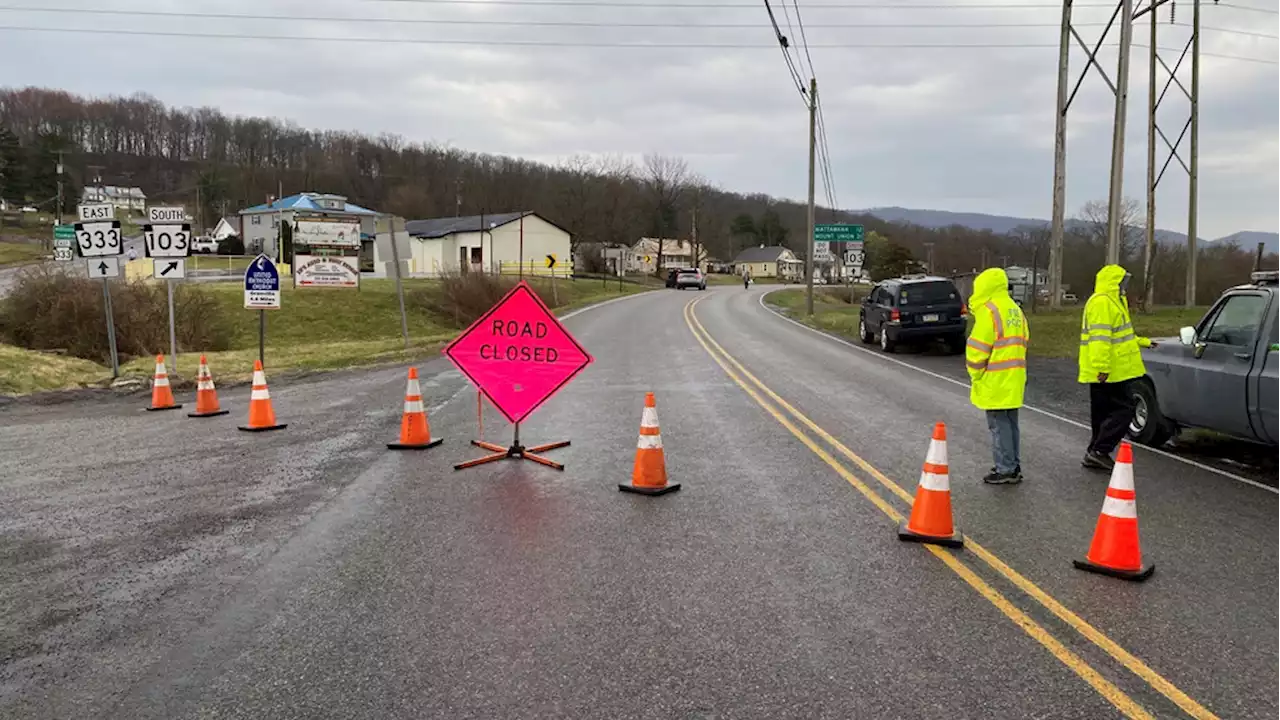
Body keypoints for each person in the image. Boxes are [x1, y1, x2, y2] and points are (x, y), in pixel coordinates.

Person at [1078, 265, 1156, 471]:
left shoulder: (1112, 301)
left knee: (1102, 412)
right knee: (1125, 409)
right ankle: (1099, 450)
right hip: (1109, 371)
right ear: (1114, 282)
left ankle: (1094, 451)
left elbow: (1121, 336)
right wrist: (1102, 367)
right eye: (1122, 281)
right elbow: (1100, 339)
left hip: (1109, 370)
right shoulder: (1103, 302)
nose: (1125, 285)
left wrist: (1144, 342)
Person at [966, 267, 1029, 485]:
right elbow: (1025, 339)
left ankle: (1005, 468)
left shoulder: (989, 311)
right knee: (1010, 423)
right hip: (1015, 376)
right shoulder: (1014, 309)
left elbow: (978, 348)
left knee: (998, 424)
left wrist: (975, 373)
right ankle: (1012, 464)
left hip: (995, 379)